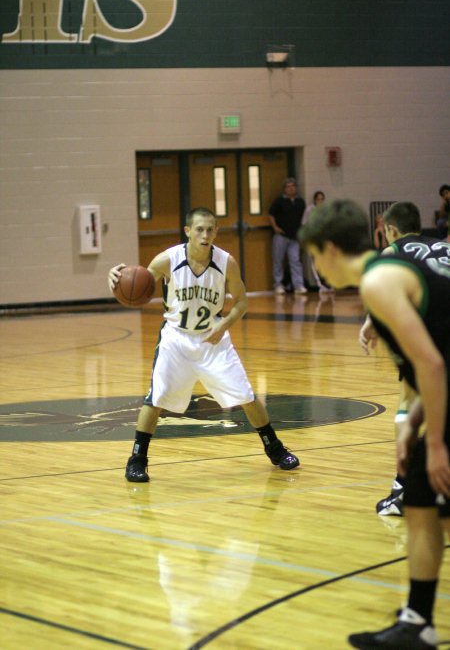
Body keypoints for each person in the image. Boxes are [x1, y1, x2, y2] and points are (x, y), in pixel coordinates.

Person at [299, 199, 450, 650]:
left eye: (312, 255)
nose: (314, 266)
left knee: (429, 480)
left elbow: (433, 364)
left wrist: (437, 440)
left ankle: (417, 622)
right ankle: (417, 622)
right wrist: (415, 422)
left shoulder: (379, 282)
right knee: (422, 499)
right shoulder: (390, 269)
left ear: (328, 249)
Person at [108, 207, 299, 483]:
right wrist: (113, 278)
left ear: (216, 232)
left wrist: (225, 324)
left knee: (247, 395)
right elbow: (137, 282)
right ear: (188, 231)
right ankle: (137, 459)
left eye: (210, 229)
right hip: (176, 340)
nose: (205, 234)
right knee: (156, 398)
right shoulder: (167, 259)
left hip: (214, 339)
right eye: (199, 229)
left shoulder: (226, 262)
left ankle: (276, 449)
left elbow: (242, 302)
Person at [360, 201, 450, 517]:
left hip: (435, 332)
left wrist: (371, 323)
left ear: (390, 230)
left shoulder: (392, 252)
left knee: (409, 401)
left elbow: (386, 287)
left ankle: (402, 487)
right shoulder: (442, 246)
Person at [268, 177, 307, 295]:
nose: (291, 188)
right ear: (284, 189)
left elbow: (304, 217)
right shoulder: (279, 201)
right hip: (281, 236)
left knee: (295, 261)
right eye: (288, 186)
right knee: (278, 261)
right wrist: (275, 227)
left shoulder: (300, 201)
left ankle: (298, 285)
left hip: (295, 237)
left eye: (293, 186)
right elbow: (271, 215)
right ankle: (278, 284)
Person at [302, 191, 333, 292]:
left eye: (322, 199)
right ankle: (320, 285)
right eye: (319, 199)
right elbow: (304, 224)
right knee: (315, 262)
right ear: (315, 200)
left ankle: (328, 283)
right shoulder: (309, 210)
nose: (321, 201)